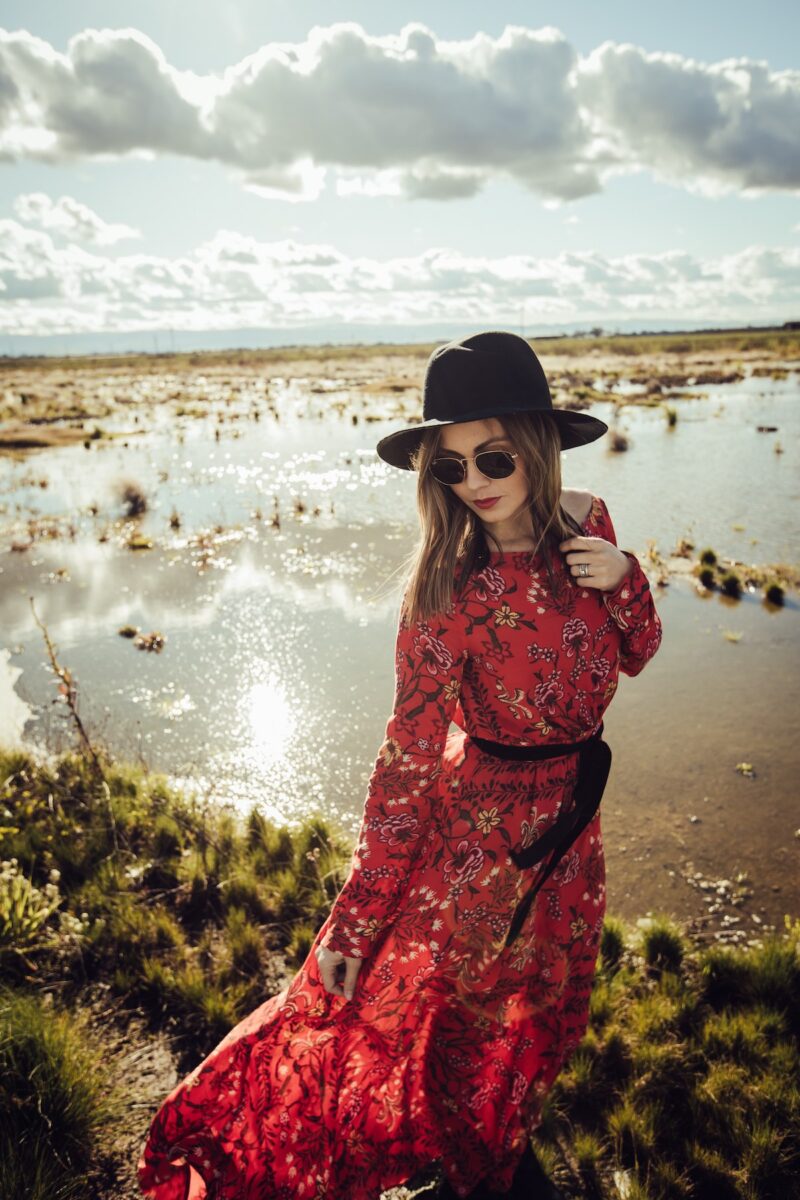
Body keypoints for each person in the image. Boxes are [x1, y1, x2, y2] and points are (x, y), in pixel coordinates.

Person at [137, 330, 663, 1200]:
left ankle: (490, 1161)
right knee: (464, 1037)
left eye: (493, 456)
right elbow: (408, 761)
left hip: (574, 831)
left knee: (543, 1017)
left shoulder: (591, 525)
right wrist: (354, 921)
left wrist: (626, 578)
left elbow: (638, 652)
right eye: (449, 466)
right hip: (478, 848)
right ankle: (481, 1175)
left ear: (538, 443)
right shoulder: (445, 589)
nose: (474, 482)